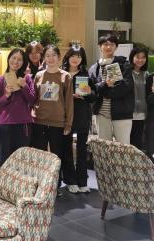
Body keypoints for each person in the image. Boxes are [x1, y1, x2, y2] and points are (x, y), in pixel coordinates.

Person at [31, 44, 75, 191]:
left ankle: (55, 185)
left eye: (53, 55)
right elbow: (34, 98)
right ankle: (40, 185)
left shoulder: (65, 76)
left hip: (58, 123)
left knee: (57, 156)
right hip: (39, 122)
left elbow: (69, 102)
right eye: (47, 56)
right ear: (44, 58)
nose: (50, 58)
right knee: (40, 156)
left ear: (59, 57)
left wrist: (68, 124)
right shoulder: (38, 75)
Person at [0, 48, 36, 167]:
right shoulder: (0, 80)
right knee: (4, 159)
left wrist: (24, 87)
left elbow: (32, 100)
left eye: (20, 60)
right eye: (14, 58)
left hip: (24, 124)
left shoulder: (27, 79)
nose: (16, 62)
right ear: (9, 59)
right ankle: (3, 185)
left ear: (24, 63)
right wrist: (6, 95)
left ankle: (21, 185)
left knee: (22, 160)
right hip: (5, 124)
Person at [88, 33, 134, 144]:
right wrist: (104, 85)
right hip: (101, 115)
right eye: (105, 44)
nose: (108, 47)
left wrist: (106, 92)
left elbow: (126, 86)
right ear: (99, 46)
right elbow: (92, 90)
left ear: (116, 47)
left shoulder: (123, 64)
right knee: (104, 148)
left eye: (112, 44)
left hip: (122, 113)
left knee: (123, 148)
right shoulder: (94, 69)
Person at [61, 44, 95, 193]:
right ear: (68, 57)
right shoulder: (61, 74)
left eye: (79, 56)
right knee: (66, 148)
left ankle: (82, 180)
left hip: (82, 115)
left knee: (82, 149)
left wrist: (89, 92)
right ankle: (70, 180)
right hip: (65, 115)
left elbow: (93, 97)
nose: (76, 59)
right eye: (73, 56)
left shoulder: (86, 75)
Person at [128, 47, 149, 150]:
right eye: (137, 57)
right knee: (127, 143)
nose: (140, 60)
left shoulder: (146, 74)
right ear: (132, 57)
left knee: (137, 143)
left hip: (141, 114)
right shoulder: (127, 73)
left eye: (143, 57)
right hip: (128, 113)